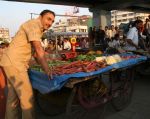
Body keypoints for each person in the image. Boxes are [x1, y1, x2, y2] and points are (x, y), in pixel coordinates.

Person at [0, 9, 55, 119]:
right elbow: (38, 49)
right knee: (27, 98)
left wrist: (46, 60)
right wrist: (47, 69)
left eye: (52, 21)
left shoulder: (37, 28)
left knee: (13, 99)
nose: (50, 23)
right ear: (40, 17)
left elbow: (35, 53)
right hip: (15, 63)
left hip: (11, 62)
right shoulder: (34, 25)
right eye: (48, 19)